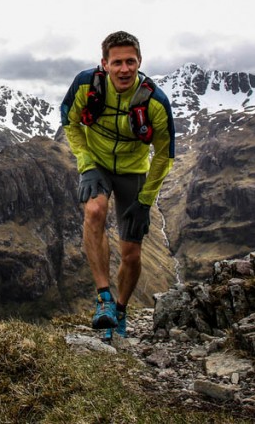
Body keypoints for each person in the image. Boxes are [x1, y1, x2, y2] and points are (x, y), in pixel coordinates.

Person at [60, 31, 175, 340]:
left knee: (132, 253)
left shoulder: (155, 101)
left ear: (139, 62)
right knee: (94, 211)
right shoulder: (86, 85)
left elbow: (164, 155)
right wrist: (86, 163)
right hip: (97, 165)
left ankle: (121, 309)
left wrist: (146, 200)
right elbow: (69, 121)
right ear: (104, 64)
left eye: (130, 62)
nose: (124, 69)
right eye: (117, 62)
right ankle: (104, 300)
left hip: (133, 171)